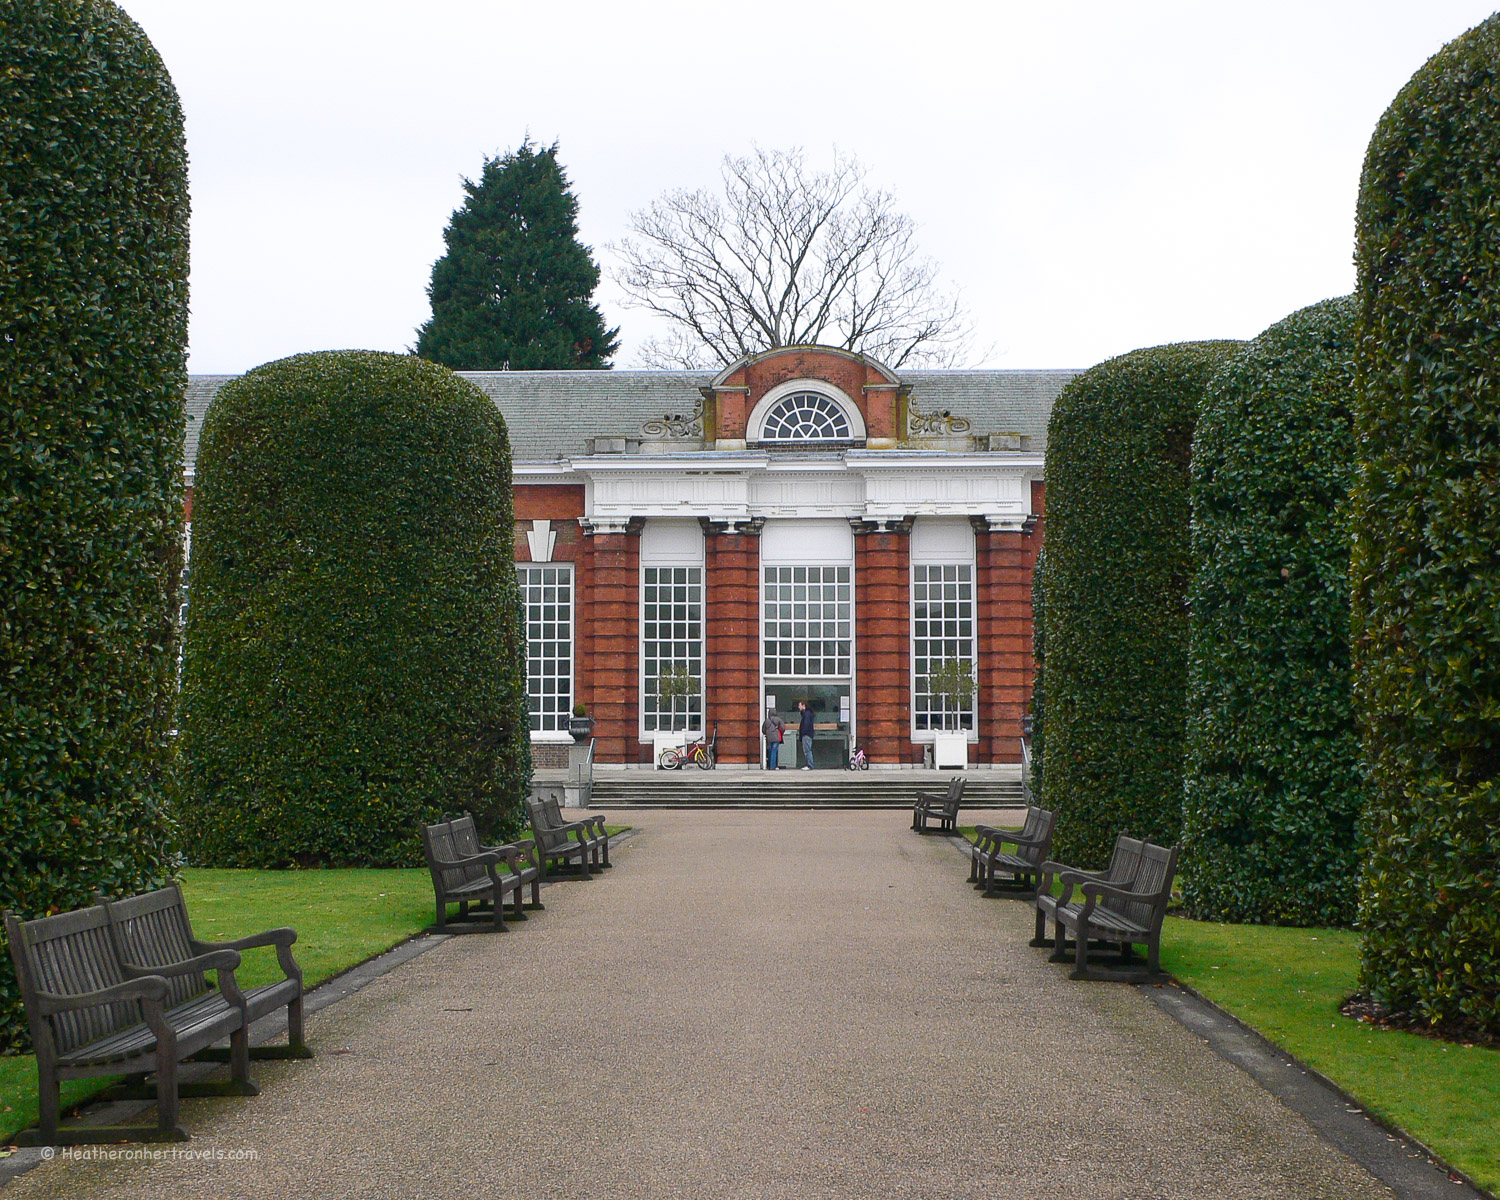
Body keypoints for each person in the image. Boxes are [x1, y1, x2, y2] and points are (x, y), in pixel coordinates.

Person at [797, 699, 815, 769]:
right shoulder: (807, 713)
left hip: (806, 734)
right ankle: (809, 764)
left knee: (807, 750)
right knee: (807, 749)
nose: (798, 707)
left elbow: (806, 724)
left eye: (799, 705)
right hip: (808, 734)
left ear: (803, 706)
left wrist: (803, 733)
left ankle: (809, 765)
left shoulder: (807, 714)